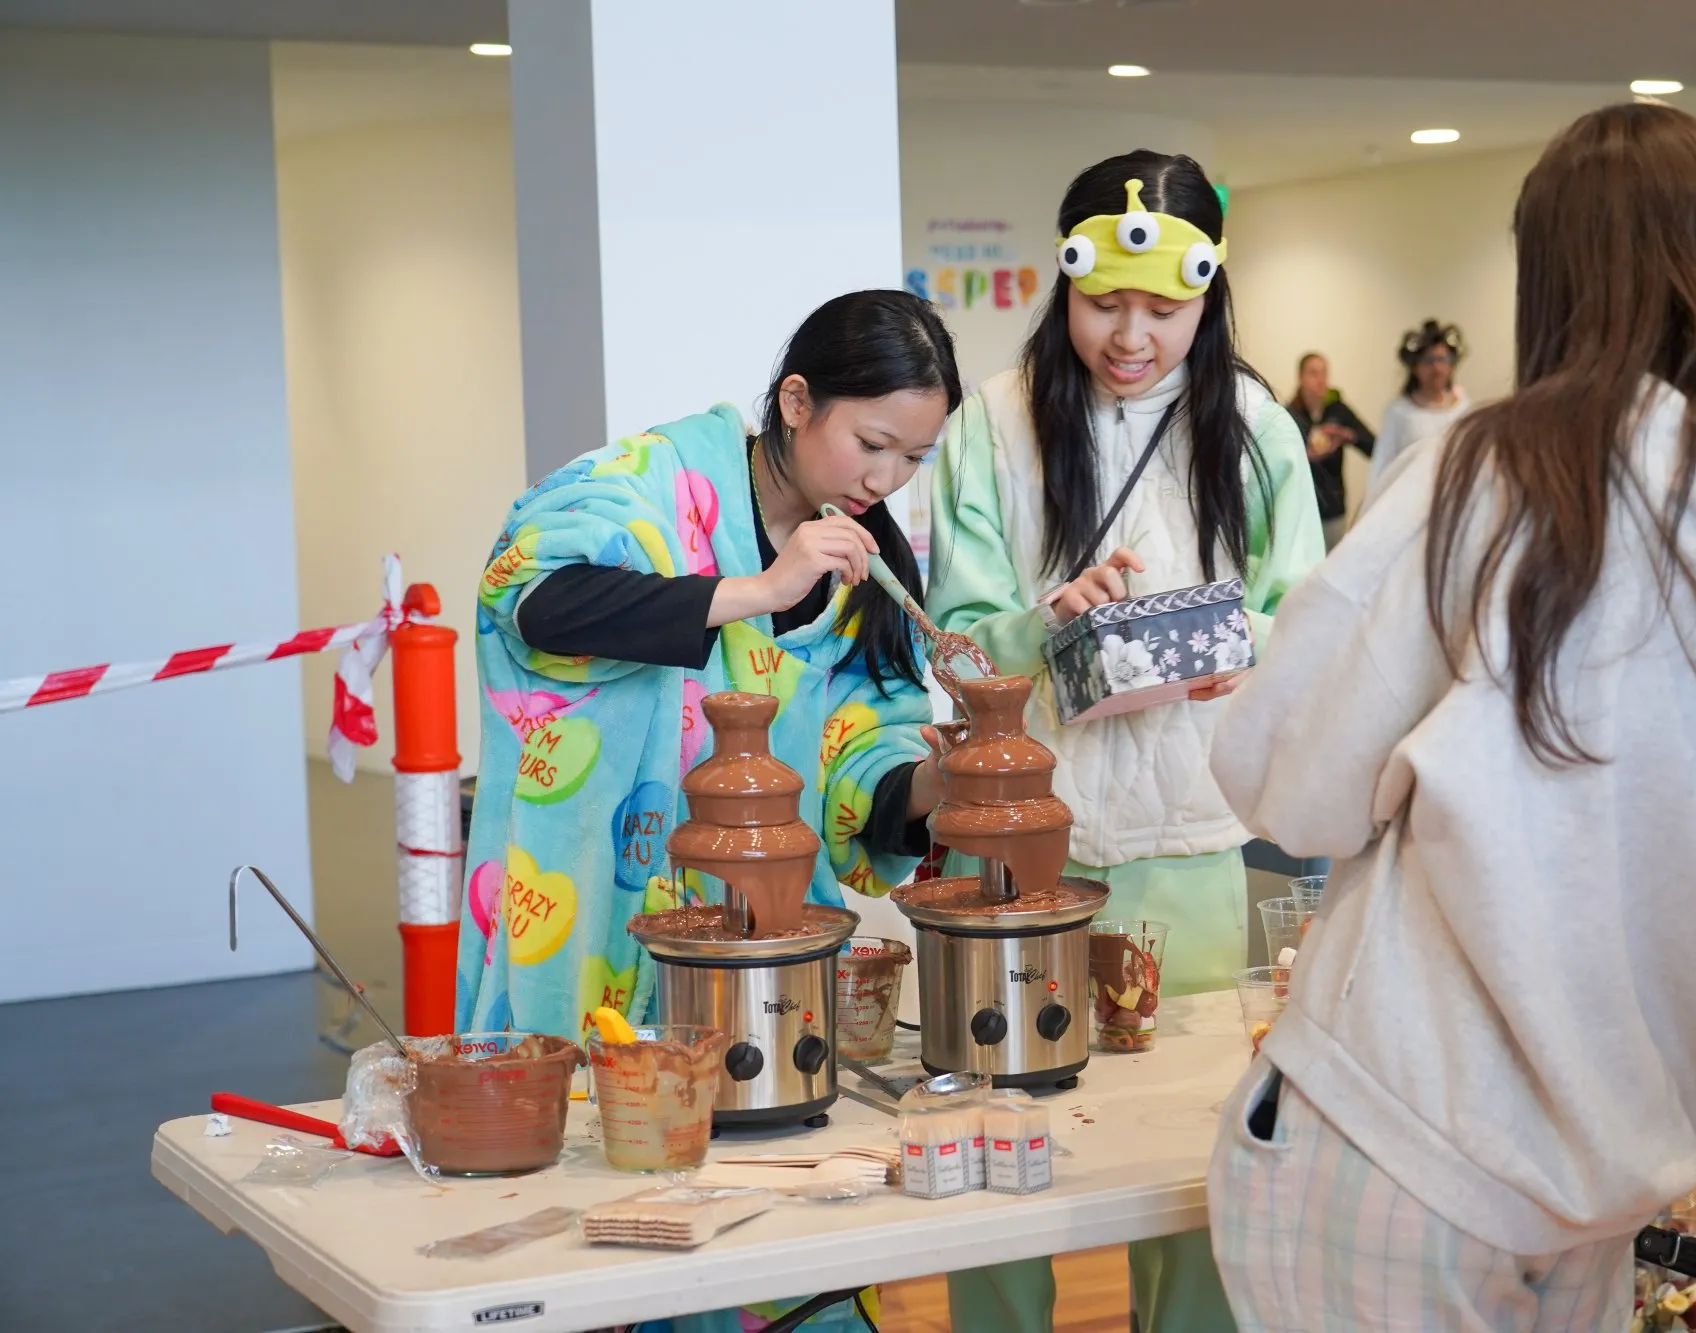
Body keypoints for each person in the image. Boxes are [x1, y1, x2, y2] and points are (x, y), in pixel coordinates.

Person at [1205, 102, 1696, 1331]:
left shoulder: (1503, 471)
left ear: (1555, 276)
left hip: (1402, 1124)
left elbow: (1283, 779)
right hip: (1612, 1153)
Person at [458, 289, 960, 1333]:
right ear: (793, 400)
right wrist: (754, 592)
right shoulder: (649, 484)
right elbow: (529, 600)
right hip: (599, 915)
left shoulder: (866, 570)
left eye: (911, 459)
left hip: (755, 954)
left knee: (765, 1217)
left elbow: (867, 751)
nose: (883, 481)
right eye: (871, 443)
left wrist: (940, 785)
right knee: (603, 1219)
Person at [928, 151, 1321, 1333]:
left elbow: (1304, 608)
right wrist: (1046, 614)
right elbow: (950, 643)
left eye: (1164, 308)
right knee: (999, 1134)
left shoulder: (1253, 426)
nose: (1132, 335)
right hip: (1012, 843)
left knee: (1198, 1148)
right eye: (1106, 303)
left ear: (1209, 296)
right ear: (1063, 283)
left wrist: (1241, 647)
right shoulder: (989, 425)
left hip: (1193, 837)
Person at [1362, 318, 1470, 501]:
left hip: (1453, 500)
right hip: (1411, 500)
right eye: (1428, 361)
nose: (1437, 368)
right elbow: (1382, 464)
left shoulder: (1462, 406)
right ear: (1415, 367)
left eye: (1443, 360)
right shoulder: (1399, 412)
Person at [1286, 351, 1375, 547]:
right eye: (1313, 373)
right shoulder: (1290, 415)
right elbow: (1279, 464)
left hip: (1333, 511)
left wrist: (1347, 435)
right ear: (1300, 377)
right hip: (1300, 511)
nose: (1321, 379)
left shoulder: (1338, 410)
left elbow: (1373, 447)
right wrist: (1307, 456)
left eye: (1324, 373)